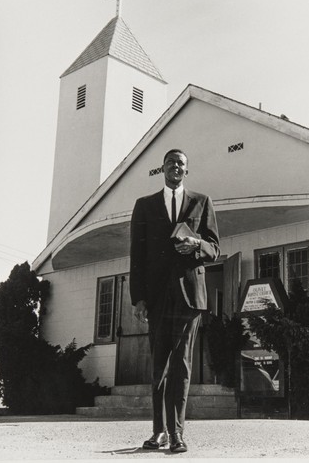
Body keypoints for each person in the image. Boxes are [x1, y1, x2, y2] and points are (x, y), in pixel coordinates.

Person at [130, 149, 220, 453]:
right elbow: (136, 256)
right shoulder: (144, 206)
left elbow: (214, 249)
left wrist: (196, 244)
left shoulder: (202, 202)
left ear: (186, 170)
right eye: (171, 162)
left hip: (189, 298)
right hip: (156, 298)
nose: (176, 166)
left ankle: (177, 433)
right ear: (163, 168)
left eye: (181, 163)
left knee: (181, 367)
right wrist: (138, 298)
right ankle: (159, 432)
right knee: (159, 367)